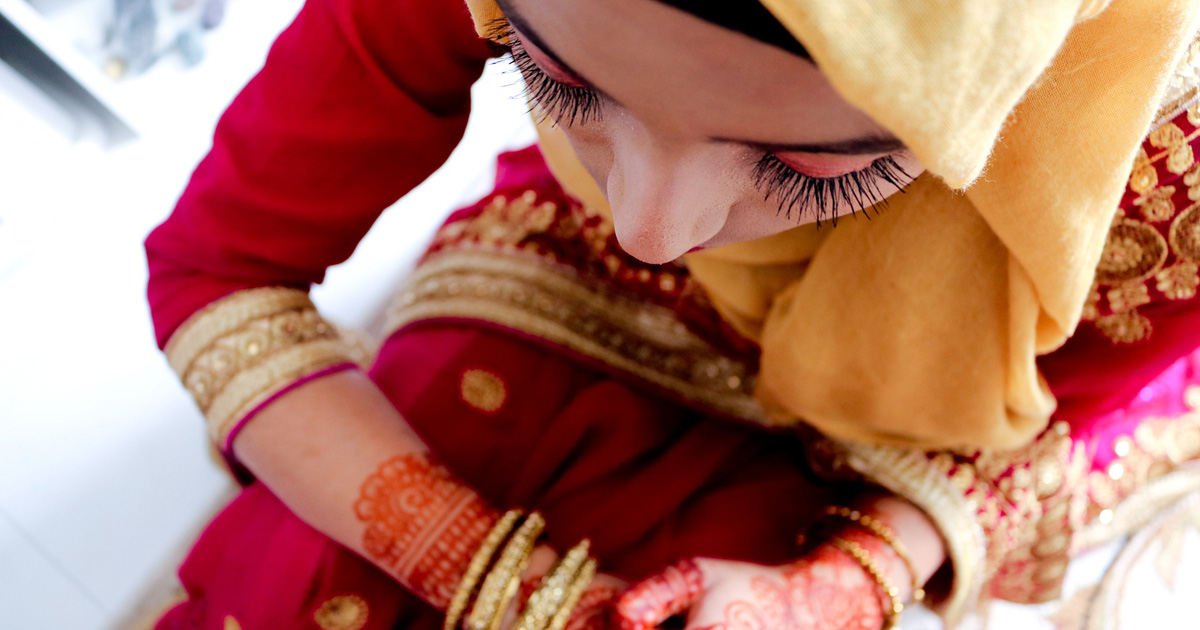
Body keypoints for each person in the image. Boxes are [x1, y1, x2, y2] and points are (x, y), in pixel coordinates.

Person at [144, 0, 1200, 629]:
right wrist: (488, 574)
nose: (650, 225)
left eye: (808, 169)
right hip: (536, 289)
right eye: (552, 81)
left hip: (878, 455)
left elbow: (1103, 413)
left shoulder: (1168, 142)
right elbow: (221, 269)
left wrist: (849, 578)